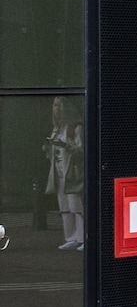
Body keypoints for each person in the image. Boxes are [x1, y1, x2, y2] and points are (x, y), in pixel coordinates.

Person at [44, 98, 83, 251]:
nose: (57, 109)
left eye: (59, 105)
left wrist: (64, 145)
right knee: (65, 206)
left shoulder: (76, 128)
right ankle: (71, 237)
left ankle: (82, 237)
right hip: (58, 171)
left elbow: (81, 151)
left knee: (77, 206)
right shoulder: (56, 128)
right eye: (54, 105)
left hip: (72, 172)